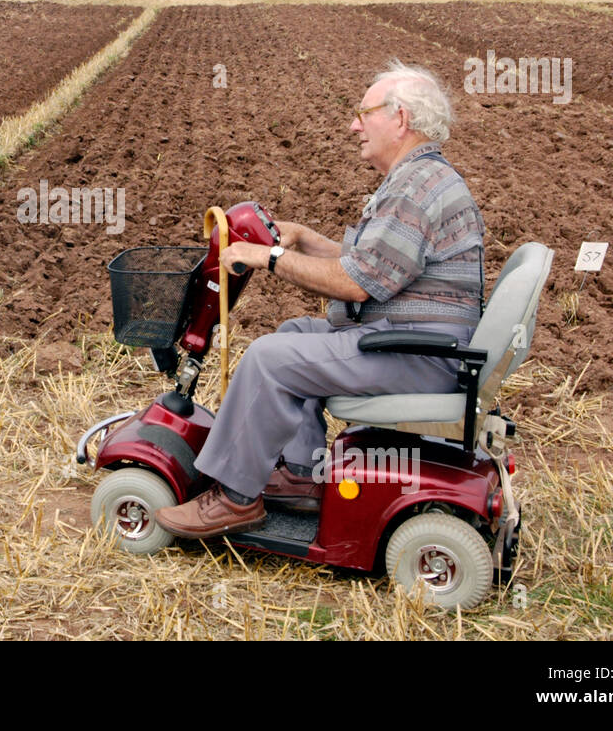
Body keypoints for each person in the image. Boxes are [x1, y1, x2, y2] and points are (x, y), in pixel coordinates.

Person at [155, 61, 485, 538]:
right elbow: (375, 264)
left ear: (401, 118)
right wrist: (305, 239)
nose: (354, 124)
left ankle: (233, 497)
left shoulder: (415, 189)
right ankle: (299, 474)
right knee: (295, 333)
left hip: (420, 353)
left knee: (271, 358)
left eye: (363, 112)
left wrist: (267, 256)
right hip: (420, 342)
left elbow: (356, 284)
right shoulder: (421, 178)